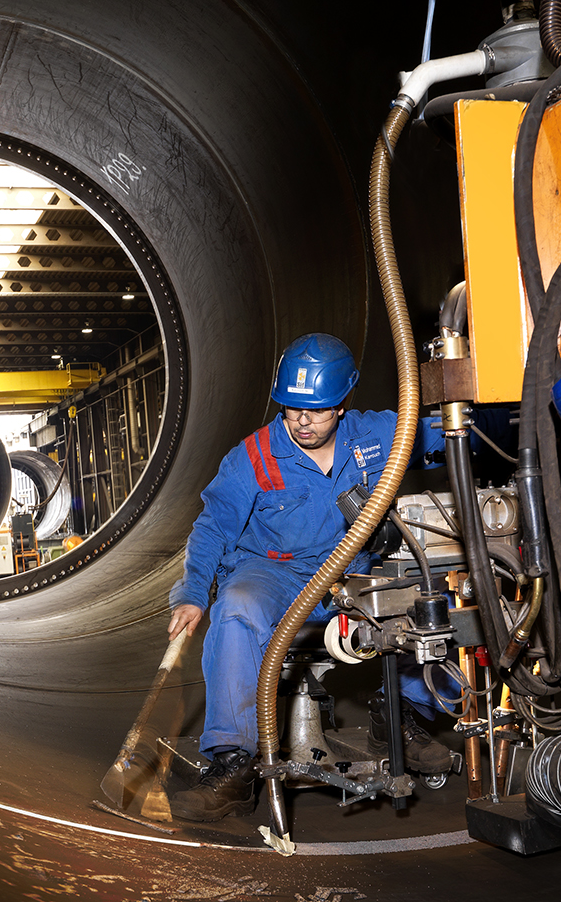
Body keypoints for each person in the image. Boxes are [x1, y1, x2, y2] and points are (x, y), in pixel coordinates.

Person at [166, 333, 454, 822]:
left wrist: (513, 413)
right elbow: (212, 526)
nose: (302, 420)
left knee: (430, 601)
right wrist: (193, 592)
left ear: (341, 404)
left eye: (316, 411)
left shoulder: (376, 436)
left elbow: (446, 433)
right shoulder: (253, 457)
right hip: (273, 572)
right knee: (236, 608)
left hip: (351, 571)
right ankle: (234, 763)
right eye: (292, 408)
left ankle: (399, 715)